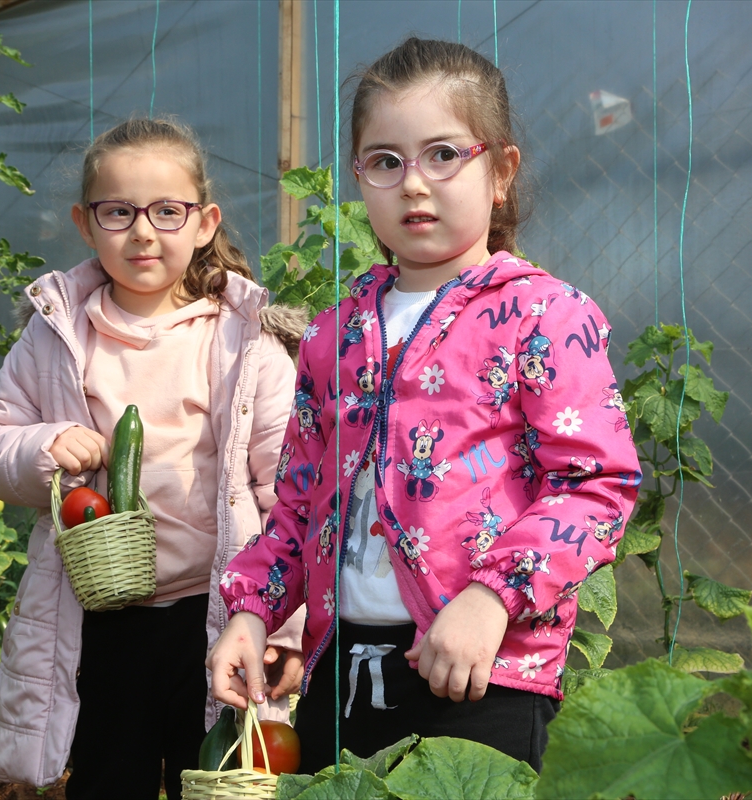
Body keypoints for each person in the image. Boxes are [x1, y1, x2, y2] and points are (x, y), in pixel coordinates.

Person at [207, 38, 642, 773]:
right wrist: (253, 613)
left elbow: (596, 484)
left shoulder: (545, 315)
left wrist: (492, 600)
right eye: (385, 161)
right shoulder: (333, 333)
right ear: (359, 178)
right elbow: (298, 503)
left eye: (443, 155)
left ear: (500, 171)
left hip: (481, 672)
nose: (414, 184)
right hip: (341, 671)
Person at [0, 117, 306, 799]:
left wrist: (283, 625)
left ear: (204, 222)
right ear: (85, 224)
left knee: (208, 779)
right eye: (118, 212)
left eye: (166, 212)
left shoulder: (244, 345)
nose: (142, 232)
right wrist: (41, 446)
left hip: (212, 622)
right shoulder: (57, 335)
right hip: (97, 621)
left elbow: (287, 495)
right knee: (105, 780)